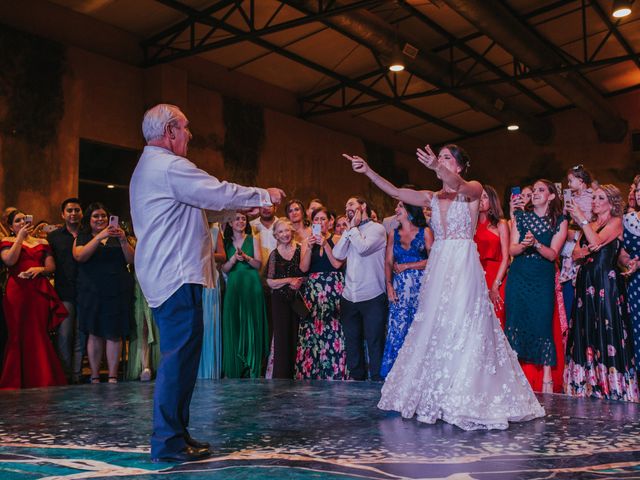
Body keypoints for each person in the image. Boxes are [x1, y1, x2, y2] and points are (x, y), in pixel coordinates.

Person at [345, 144, 544, 430]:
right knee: (436, 324)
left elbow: (460, 185)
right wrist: (368, 171)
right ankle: (439, 389)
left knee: (465, 323)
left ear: (460, 165)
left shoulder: (471, 189)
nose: (441, 161)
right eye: (440, 158)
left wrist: (436, 167)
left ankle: (463, 393)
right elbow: (396, 193)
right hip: (439, 263)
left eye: (447, 158)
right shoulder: (432, 197)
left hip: (463, 261)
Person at [129, 104, 284, 463]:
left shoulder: (152, 167)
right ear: (169, 131)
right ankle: (167, 442)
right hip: (175, 276)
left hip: (172, 274)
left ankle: (176, 435)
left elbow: (197, 205)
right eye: (185, 128)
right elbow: (216, 191)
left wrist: (231, 212)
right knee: (177, 360)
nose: (190, 134)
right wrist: (263, 195)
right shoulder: (168, 166)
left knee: (182, 360)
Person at [564, 185, 638, 401]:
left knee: (609, 329)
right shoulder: (592, 224)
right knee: (585, 330)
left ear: (612, 202)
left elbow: (596, 242)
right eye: (594, 197)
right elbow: (576, 253)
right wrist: (587, 245)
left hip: (607, 283)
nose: (595, 201)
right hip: (586, 281)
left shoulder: (616, 222)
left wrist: (583, 224)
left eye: (600, 197)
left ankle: (613, 385)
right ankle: (587, 384)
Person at [505, 180, 568, 393]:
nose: (536, 193)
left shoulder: (559, 220)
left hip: (541, 278)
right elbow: (512, 251)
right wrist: (523, 245)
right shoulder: (521, 217)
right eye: (534, 190)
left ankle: (547, 380)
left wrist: (537, 244)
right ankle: (512, 378)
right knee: (514, 323)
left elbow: (553, 254)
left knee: (542, 324)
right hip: (519, 277)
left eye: (541, 190)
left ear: (551, 196)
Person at [0, 210, 68, 389]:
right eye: (17, 221)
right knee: (17, 333)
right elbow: (9, 261)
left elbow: (51, 267)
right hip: (17, 292)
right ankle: (15, 379)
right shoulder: (7, 242)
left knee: (38, 332)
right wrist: (20, 238)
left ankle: (43, 377)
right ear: (11, 226)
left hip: (38, 291)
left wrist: (40, 270)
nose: (22, 222)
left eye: (24, 219)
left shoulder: (42, 242)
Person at [73, 203, 135, 384]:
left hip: (117, 289)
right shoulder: (83, 236)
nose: (100, 219)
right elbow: (80, 256)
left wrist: (123, 240)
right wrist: (100, 236)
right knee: (94, 332)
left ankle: (113, 376)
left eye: (103, 216)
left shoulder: (118, 237)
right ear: (89, 219)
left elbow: (132, 260)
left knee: (113, 332)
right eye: (96, 216)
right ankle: (94, 375)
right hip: (92, 290)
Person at [332, 196, 387, 381]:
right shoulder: (349, 230)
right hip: (350, 296)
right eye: (346, 204)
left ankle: (377, 379)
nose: (347, 207)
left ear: (363, 206)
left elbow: (363, 248)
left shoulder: (377, 229)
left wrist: (353, 229)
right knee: (352, 342)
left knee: (374, 340)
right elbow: (337, 254)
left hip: (372, 295)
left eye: (351, 204)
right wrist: (349, 231)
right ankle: (357, 379)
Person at [380, 201, 432, 378]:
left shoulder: (425, 232)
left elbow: (435, 260)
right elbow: (388, 261)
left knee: (418, 327)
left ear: (410, 210)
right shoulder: (393, 234)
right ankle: (396, 374)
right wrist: (388, 285)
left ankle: (418, 373)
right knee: (398, 328)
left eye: (400, 207)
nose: (396, 210)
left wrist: (409, 265)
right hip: (400, 288)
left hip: (420, 288)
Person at [297, 207, 347, 380]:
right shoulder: (305, 242)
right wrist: (310, 247)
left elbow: (336, 264)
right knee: (313, 328)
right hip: (313, 290)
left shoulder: (338, 239)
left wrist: (325, 243)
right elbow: (303, 268)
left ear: (330, 222)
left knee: (334, 328)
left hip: (333, 287)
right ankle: (313, 371)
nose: (319, 223)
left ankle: (335, 370)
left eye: (323, 219)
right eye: (316, 220)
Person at [221, 212, 268, 378]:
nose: (240, 221)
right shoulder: (226, 242)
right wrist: (233, 259)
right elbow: (224, 269)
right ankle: (236, 366)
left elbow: (258, 264)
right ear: (230, 222)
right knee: (235, 322)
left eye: (243, 218)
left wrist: (246, 257)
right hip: (234, 286)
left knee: (251, 322)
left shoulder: (253, 238)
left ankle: (252, 365)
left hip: (251, 284)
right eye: (237, 218)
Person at [48, 198, 85, 384]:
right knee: (64, 335)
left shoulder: (88, 234)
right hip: (64, 291)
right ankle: (64, 375)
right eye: (69, 210)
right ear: (63, 214)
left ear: (81, 213)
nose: (73, 213)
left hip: (86, 291)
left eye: (76, 210)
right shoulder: (54, 237)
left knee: (81, 334)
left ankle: (77, 375)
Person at [266, 218, 305, 378]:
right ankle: (282, 377)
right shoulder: (274, 255)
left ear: (292, 231)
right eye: (280, 231)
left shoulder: (301, 249)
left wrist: (300, 281)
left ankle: (299, 374)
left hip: (298, 300)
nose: (284, 234)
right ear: (276, 235)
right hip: (279, 301)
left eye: (287, 230)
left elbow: (306, 272)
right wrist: (289, 280)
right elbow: (270, 282)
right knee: (282, 338)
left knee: (299, 335)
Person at [559, 165, 594, 320]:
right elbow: (566, 217)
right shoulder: (571, 197)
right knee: (567, 275)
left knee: (580, 275)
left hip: (584, 236)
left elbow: (590, 219)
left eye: (570, 181)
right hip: (570, 238)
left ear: (581, 181)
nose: (568, 184)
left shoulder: (591, 196)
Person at [474, 186, 509, 328]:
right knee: (478, 321)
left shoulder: (501, 224)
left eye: (484, 197)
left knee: (497, 318)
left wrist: (496, 284)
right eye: (478, 197)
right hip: (476, 275)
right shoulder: (471, 225)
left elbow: (506, 257)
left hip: (496, 276)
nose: (480, 200)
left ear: (492, 200)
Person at [197, 222, 226, 380]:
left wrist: (204, 253)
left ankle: (209, 370)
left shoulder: (215, 230)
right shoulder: (190, 227)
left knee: (210, 324)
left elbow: (222, 256)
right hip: (194, 278)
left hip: (211, 279)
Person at [621, 176, 640, 369]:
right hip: (636, 284)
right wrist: (628, 261)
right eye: (638, 190)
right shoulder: (628, 219)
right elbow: (620, 251)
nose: (639, 194)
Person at [250, 205, 278, 276]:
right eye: (263, 206)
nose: (266, 209)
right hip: (256, 273)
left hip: (279, 272)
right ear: (258, 208)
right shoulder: (250, 226)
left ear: (275, 208)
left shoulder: (282, 225)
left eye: (269, 206)